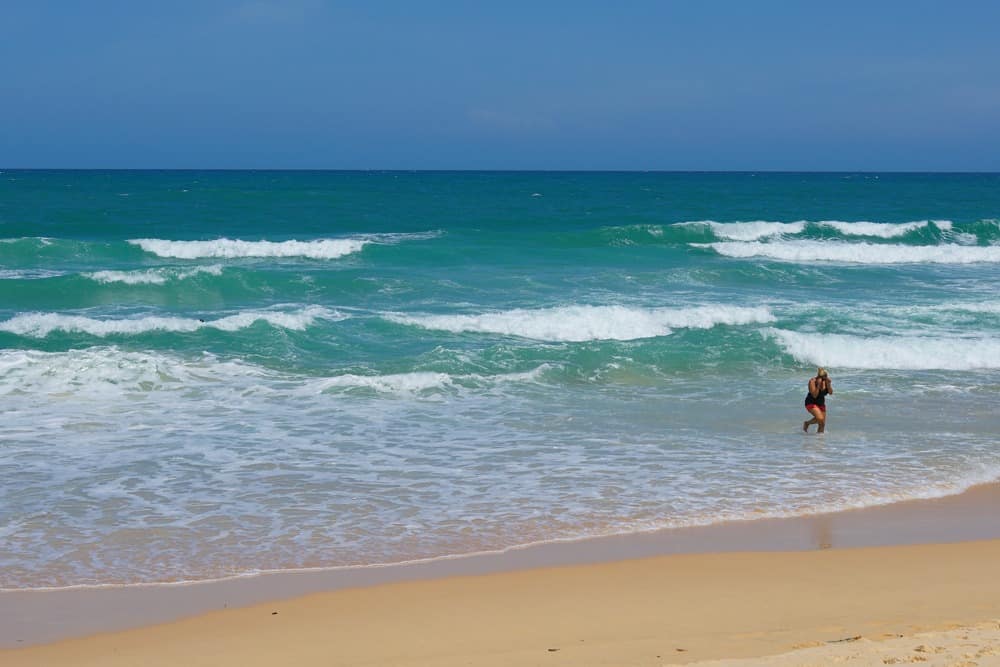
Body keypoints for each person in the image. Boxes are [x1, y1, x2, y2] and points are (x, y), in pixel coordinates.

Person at [803, 367, 833, 433]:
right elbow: (815, 395)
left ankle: (819, 441)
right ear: (818, 376)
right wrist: (818, 385)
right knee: (820, 418)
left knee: (822, 424)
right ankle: (807, 423)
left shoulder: (826, 381)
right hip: (811, 402)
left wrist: (829, 384)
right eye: (822, 377)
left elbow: (830, 393)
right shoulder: (812, 381)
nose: (823, 379)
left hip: (821, 403)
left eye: (825, 377)